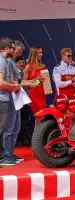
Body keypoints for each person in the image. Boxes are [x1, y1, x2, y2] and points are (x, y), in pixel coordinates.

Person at [0, 38, 21, 166]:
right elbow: (1, 83)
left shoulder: (4, 61)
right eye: (13, 48)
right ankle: (4, 155)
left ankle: (3, 155)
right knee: (2, 129)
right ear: (7, 48)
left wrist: (14, 85)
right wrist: (12, 87)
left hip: (5, 98)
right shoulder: (2, 61)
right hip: (2, 99)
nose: (14, 51)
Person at [23, 46, 46, 125]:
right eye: (39, 52)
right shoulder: (28, 66)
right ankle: (38, 137)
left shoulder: (43, 66)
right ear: (34, 53)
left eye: (41, 52)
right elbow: (24, 84)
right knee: (40, 118)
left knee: (40, 119)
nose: (41, 54)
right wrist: (36, 79)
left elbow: (44, 81)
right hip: (34, 95)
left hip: (42, 94)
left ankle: (37, 136)